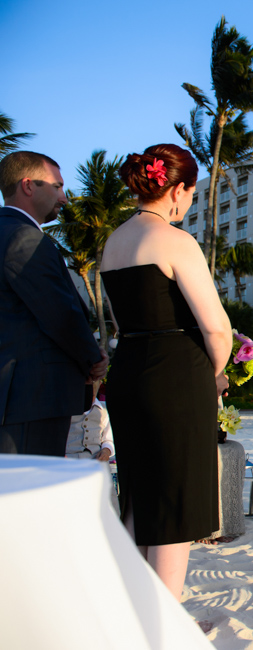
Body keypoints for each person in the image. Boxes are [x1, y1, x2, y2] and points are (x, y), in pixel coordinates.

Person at [100, 144, 232, 601]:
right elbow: (217, 328)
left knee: (140, 492)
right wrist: (212, 375)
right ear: (177, 189)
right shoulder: (176, 241)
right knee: (175, 500)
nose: (189, 203)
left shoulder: (113, 242)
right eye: (191, 194)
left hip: (128, 371)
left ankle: (137, 608)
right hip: (175, 375)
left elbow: (121, 321)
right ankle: (165, 620)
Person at [0, 151, 107, 455]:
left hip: (13, 400)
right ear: (28, 185)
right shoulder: (24, 238)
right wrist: (92, 359)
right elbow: (58, 313)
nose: (64, 197)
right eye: (57, 186)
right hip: (29, 399)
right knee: (27, 494)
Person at [65, 381, 114, 461]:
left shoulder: (104, 409)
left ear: (100, 383)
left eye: (94, 382)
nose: (91, 388)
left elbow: (108, 440)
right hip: (68, 461)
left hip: (95, 461)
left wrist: (106, 451)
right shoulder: (66, 407)